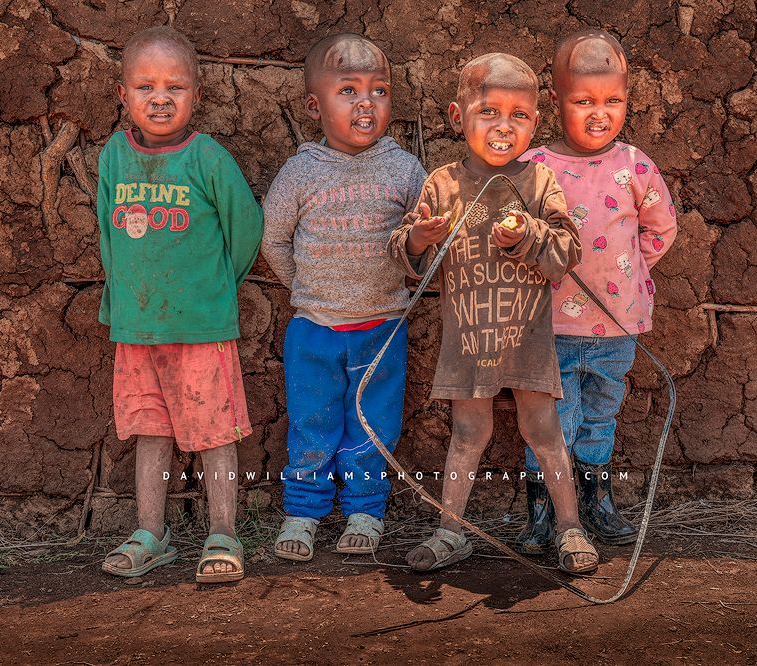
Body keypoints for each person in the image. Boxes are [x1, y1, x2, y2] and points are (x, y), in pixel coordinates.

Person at [388, 53, 598, 574]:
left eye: (519, 115)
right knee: (467, 433)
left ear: (534, 122)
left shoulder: (539, 182)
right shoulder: (442, 184)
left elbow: (567, 251)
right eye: (489, 112)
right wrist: (420, 237)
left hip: (526, 334)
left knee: (544, 428)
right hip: (469, 339)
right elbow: (407, 256)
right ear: (459, 117)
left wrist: (527, 234)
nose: (505, 127)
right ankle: (450, 530)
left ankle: (569, 527)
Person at [97, 26, 263, 583]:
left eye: (175, 86)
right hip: (137, 330)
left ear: (196, 94)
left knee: (214, 433)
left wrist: (213, 288)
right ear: (124, 95)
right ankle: (152, 532)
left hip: (202, 327)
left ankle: (223, 533)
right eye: (145, 86)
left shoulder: (208, 158)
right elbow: (108, 238)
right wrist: (119, 303)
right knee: (151, 431)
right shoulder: (113, 158)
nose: (160, 97)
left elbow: (246, 228)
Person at [261, 34, 426, 561]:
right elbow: (273, 239)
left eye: (379, 91)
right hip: (314, 328)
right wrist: (307, 290)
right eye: (348, 90)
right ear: (315, 106)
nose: (365, 103)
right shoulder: (301, 172)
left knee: (374, 423)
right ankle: (304, 512)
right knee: (312, 421)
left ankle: (364, 509)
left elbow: (423, 245)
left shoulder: (404, 170)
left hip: (382, 328)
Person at [515, 29, 677, 553]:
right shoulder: (536, 167)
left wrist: (629, 271)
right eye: (583, 101)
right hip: (549, 327)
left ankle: (596, 499)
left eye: (613, 101)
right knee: (548, 421)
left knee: (601, 415)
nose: (599, 112)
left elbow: (661, 227)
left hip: (615, 326)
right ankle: (543, 510)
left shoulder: (635, 165)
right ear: (557, 101)